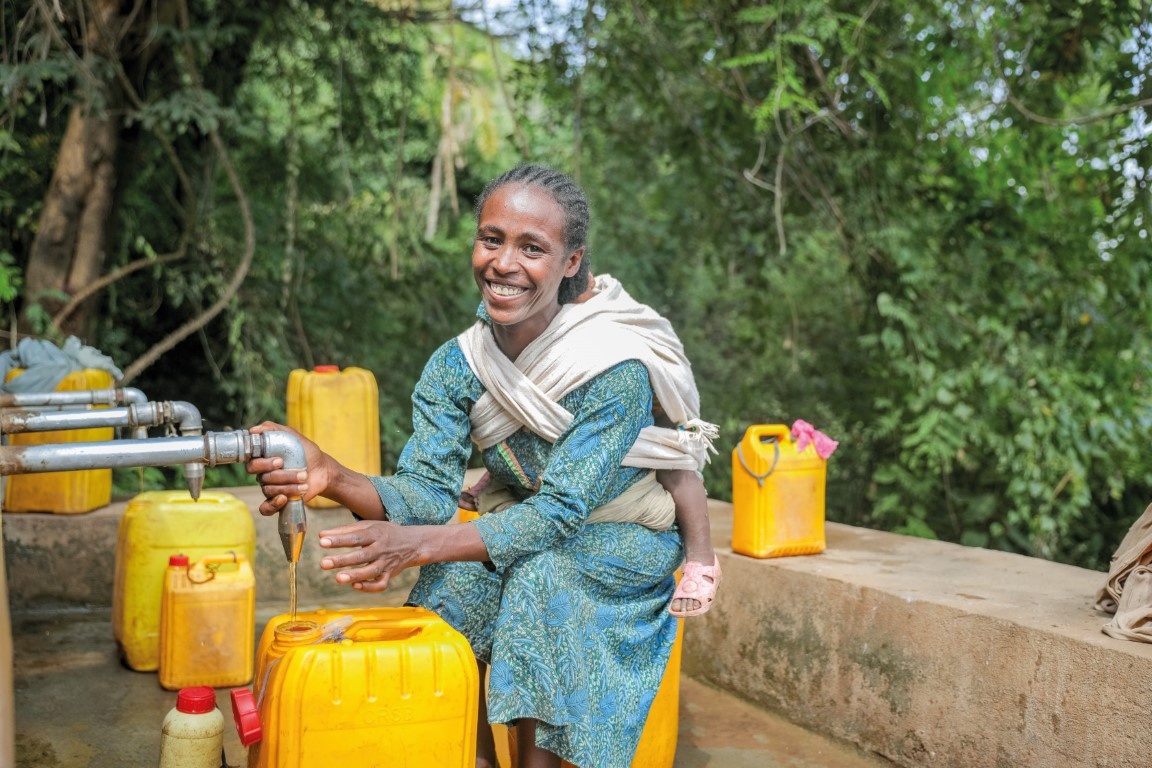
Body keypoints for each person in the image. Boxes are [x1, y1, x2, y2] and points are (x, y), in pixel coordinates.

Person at [248, 163, 718, 768]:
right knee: (451, 586)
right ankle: (470, 758)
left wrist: (415, 544)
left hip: (623, 537)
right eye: (492, 239)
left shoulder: (613, 368)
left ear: (571, 262)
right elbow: (427, 493)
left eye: (533, 248)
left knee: (541, 579)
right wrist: (333, 476)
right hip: (520, 526)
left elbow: (557, 515)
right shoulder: (458, 366)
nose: (503, 263)